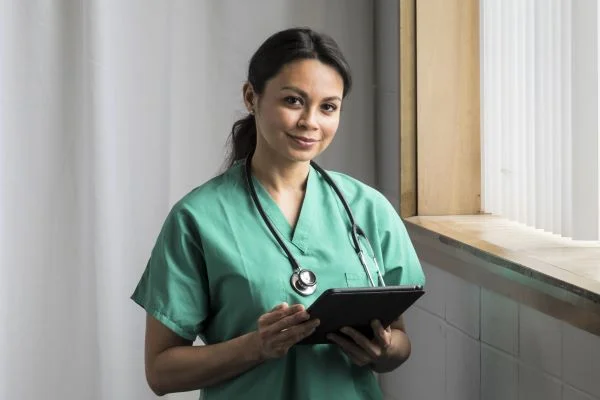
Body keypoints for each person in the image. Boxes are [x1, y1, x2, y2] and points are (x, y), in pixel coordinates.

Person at [131, 27, 425, 400]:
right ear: (251, 97)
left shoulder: (368, 209)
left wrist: (383, 351)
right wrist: (257, 346)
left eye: (328, 107)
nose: (311, 122)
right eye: (293, 101)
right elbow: (161, 372)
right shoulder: (198, 218)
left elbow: (399, 341)